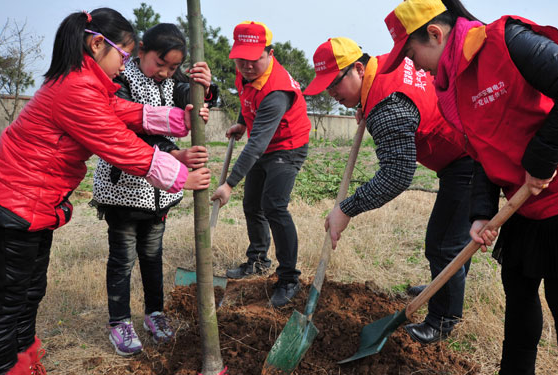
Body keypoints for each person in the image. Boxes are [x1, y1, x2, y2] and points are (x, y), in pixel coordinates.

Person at [381, 0, 558, 373]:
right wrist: (481, 212)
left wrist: (540, 162)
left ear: (434, 33)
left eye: (410, 52)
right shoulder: (450, 85)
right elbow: (481, 149)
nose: (412, 64)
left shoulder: (508, 40)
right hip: (525, 192)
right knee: (518, 288)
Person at [0, 9, 212, 375]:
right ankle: (6, 366)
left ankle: (26, 357)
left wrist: (178, 119)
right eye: (122, 57)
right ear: (97, 44)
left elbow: (122, 111)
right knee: (5, 306)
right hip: (12, 204)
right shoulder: (76, 88)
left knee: (30, 291)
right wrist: (180, 174)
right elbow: (119, 144)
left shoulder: (84, 83)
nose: (124, 67)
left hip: (31, 206)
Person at [303, 37, 473, 344]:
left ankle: (442, 319)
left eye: (334, 85)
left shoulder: (386, 105)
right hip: (461, 146)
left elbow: (397, 175)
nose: (331, 94)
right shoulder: (383, 65)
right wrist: (365, 104)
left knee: (443, 243)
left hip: (468, 156)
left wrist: (346, 208)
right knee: (451, 237)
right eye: (325, 88)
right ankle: (444, 284)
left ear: (357, 68)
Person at [90, 23, 217, 356]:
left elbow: (190, 97)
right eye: (160, 63)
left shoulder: (172, 82)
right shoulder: (122, 81)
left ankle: (155, 314)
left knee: (152, 255)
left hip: (159, 192)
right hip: (124, 188)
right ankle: (119, 322)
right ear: (141, 50)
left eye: (173, 68)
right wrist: (174, 154)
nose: (165, 72)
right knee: (122, 258)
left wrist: (204, 86)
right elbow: (127, 133)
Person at [210, 21, 311, 308]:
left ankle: (289, 278)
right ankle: (257, 261)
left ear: (270, 52)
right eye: (240, 58)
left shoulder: (277, 90)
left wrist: (229, 183)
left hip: (287, 146)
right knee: (252, 204)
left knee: (274, 206)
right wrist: (242, 122)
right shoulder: (245, 73)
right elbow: (246, 100)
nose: (246, 65)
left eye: (253, 59)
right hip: (264, 142)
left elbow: (257, 145)